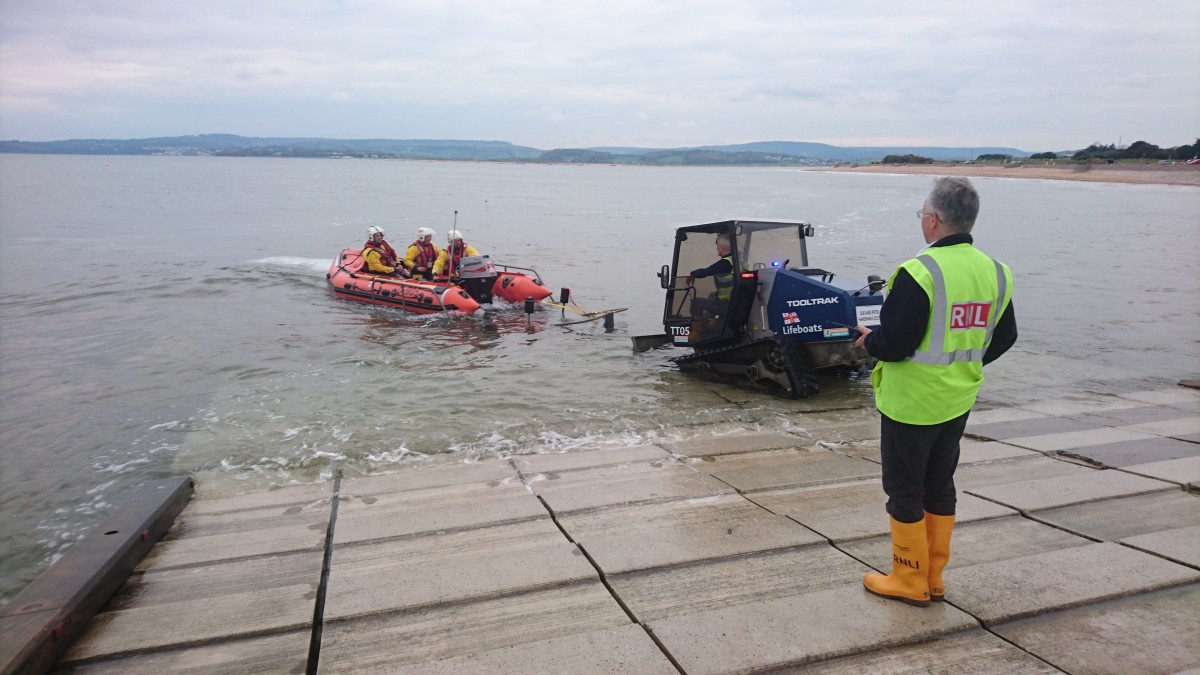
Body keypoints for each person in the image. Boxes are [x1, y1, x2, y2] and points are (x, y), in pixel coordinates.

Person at [854, 176, 1017, 607]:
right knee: (939, 484)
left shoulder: (918, 272)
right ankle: (933, 578)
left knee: (904, 489)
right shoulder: (996, 271)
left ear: (933, 219)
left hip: (911, 403)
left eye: (921, 215)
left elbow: (896, 344)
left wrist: (869, 341)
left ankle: (908, 580)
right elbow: (1005, 337)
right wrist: (967, 363)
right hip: (958, 398)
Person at [685, 234, 735, 316]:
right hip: (735, 301)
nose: (716, 248)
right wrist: (717, 292)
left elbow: (706, 271)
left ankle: (696, 328)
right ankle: (713, 323)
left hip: (726, 304)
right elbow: (733, 281)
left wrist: (692, 274)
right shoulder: (737, 261)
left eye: (718, 246)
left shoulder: (725, 263)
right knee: (711, 299)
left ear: (722, 248)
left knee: (696, 302)